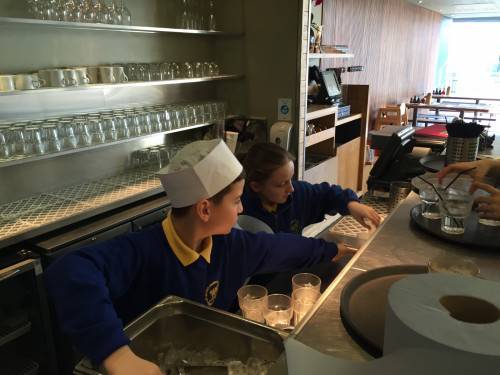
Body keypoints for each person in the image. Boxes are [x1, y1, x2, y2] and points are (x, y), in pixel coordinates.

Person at [45, 139, 351, 375]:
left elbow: (281, 249)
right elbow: (70, 270)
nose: (241, 210)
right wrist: (117, 355)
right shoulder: (144, 249)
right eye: (235, 201)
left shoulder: (230, 245)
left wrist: (332, 250)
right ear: (205, 209)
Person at [240, 142, 381, 234]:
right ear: (256, 186)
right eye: (281, 184)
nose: (291, 189)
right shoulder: (241, 213)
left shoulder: (297, 194)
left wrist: (351, 204)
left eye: (291, 179)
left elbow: (327, 194)